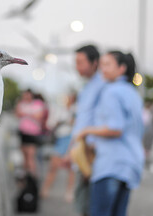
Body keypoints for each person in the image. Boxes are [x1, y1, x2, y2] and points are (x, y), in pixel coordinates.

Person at [76, 51, 144, 216]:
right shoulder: (132, 92)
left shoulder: (111, 92)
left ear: (121, 68)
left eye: (107, 65)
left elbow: (115, 128)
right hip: (129, 164)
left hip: (110, 164)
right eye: (101, 64)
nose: (102, 69)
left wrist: (86, 130)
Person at [65, 45, 104, 216]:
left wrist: (91, 157)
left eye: (80, 62)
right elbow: (82, 122)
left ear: (95, 62)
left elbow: (99, 122)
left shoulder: (103, 86)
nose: (77, 67)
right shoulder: (86, 87)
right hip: (82, 151)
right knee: (82, 201)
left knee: (88, 203)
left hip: (91, 152)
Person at [41, 93, 76, 202]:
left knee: (71, 168)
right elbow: (51, 124)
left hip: (71, 140)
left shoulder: (76, 110)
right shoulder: (60, 110)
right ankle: (45, 189)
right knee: (53, 166)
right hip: (60, 139)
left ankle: (69, 191)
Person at [15, 89, 45, 176]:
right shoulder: (21, 104)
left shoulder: (37, 103)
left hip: (33, 133)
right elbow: (17, 113)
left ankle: (33, 179)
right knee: (24, 157)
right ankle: (26, 179)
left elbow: (39, 116)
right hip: (23, 132)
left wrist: (26, 113)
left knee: (31, 157)